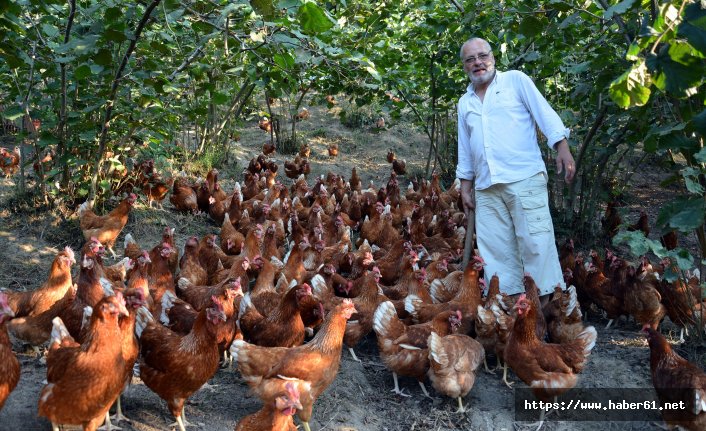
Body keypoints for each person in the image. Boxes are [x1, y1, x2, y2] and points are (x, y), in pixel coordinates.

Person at [456, 37, 575, 299]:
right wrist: (465, 185)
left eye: (482, 56)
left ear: (493, 57)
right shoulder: (465, 103)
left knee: (536, 243)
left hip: (524, 178)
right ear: (464, 66)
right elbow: (465, 148)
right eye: (470, 60)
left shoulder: (515, 81)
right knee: (496, 252)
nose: (478, 63)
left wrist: (562, 147)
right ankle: (511, 311)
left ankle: (547, 307)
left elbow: (544, 113)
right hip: (486, 187)